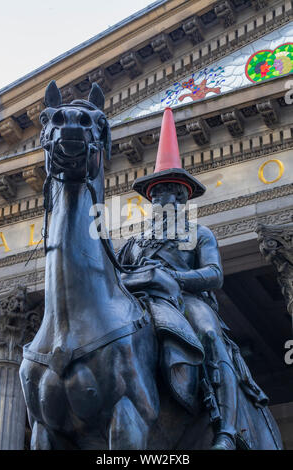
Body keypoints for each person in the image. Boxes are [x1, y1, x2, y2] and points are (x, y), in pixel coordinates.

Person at [117, 108, 268, 450]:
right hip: (143, 302)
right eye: (158, 192)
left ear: (184, 199)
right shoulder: (134, 242)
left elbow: (214, 275)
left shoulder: (199, 234)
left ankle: (226, 429)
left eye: (172, 191)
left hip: (188, 303)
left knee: (211, 335)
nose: (164, 198)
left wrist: (174, 278)